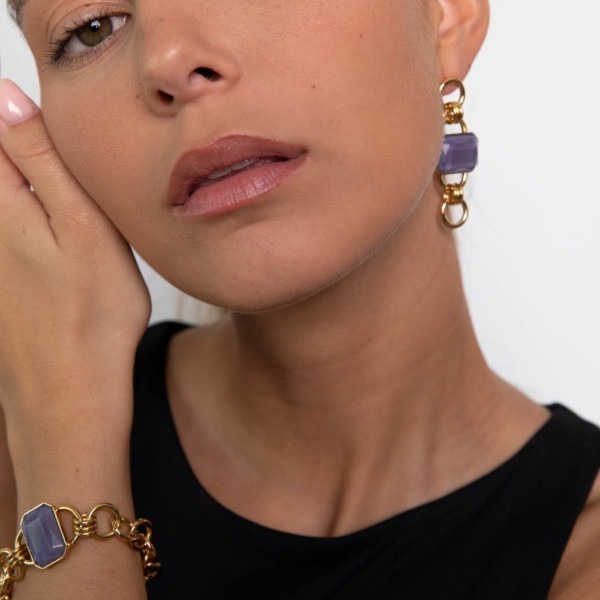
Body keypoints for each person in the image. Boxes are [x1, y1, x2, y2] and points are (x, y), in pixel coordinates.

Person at [0, 0, 598, 598]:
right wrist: (65, 424)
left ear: (446, 17)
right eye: (91, 29)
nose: (169, 59)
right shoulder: (26, 450)